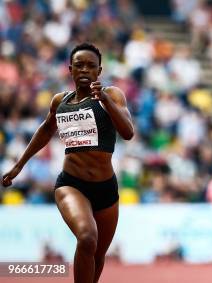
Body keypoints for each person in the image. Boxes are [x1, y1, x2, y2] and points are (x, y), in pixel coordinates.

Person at [2, 43, 134, 283]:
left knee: (98, 253)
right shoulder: (59, 101)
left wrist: (104, 98)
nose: (85, 70)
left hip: (106, 188)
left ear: (99, 71)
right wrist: (19, 165)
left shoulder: (113, 95)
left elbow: (127, 132)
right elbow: (45, 130)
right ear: (70, 69)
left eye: (91, 66)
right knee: (87, 237)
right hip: (71, 184)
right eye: (79, 65)